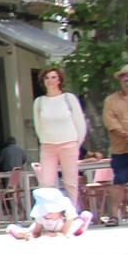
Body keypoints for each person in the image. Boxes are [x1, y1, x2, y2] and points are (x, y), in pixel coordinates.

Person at [31, 66, 87, 198]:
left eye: (53, 77)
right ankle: (50, 215)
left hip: (68, 144)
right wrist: (45, 139)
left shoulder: (69, 98)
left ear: (59, 80)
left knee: (70, 182)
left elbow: (80, 123)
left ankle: (71, 213)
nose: (50, 80)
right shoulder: (39, 102)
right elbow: (38, 126)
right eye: (47, 77)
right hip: (48, 145)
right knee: (46, 183)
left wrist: (76, 144)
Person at [103, 63, 128, 226]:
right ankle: (113, 216)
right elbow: (110, 121)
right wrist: (126, 134)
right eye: (124, 76)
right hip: (120, 149)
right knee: (118, 181)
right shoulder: (111, 100)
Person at [6, 185, 93, 240]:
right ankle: (15, 230)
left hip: (65, 227)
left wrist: (52, 235)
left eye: (51, 211)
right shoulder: (41, 216)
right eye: (44, 211)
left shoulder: (67, 213)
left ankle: (84, 220)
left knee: (75, 229)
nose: (47, 214)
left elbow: (64, 233)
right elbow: (36, 231)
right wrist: (30, 236)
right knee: (27, 231)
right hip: (47, 229)